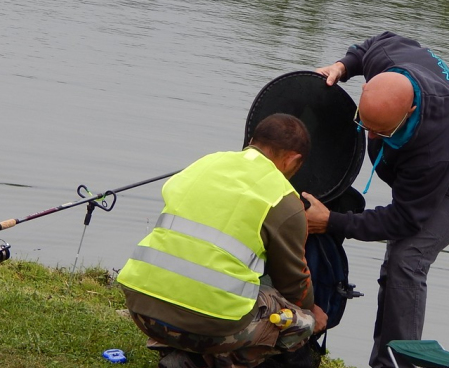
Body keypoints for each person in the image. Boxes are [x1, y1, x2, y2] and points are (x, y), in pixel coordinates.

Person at [304, 32, 449, 368]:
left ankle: (400, 364)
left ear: (410, 109)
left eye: (380, 132)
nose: (370, 137)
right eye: (364, 125)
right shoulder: (386, 56)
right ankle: (385, 359)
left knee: (407, 259)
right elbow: (367, 46)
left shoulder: (434, 151)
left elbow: (404, 219)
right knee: (397, 260)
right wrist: (343, 66)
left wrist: (331, 221)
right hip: (439, 156)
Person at [117, 113, 328, 368]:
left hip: (142, 310)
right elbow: (294, 283)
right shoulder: (283, 199)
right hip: (209, 325)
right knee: (298, 319)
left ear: (252, 140)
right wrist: (311, 312)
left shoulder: (205, 163)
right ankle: (215, 360)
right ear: (294, 159)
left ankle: (183, 354)